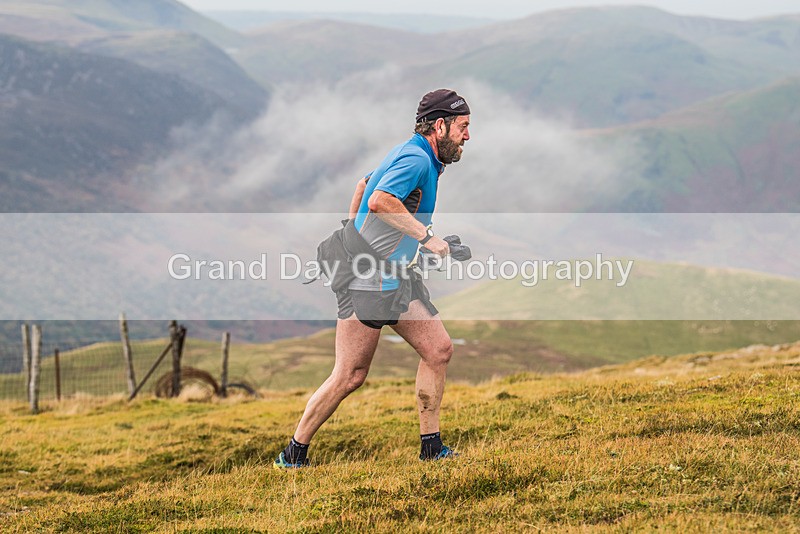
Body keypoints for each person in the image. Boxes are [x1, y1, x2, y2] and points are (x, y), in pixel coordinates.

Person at [274, 89, 471, 467]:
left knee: (439, 349)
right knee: (350, 375)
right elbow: (380, 200)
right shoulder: (416, 158)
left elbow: (364, 186)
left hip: (394, 278)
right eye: (463, 127)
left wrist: (363, 236)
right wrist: (425, 238)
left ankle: (431, 448)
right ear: (440, 125)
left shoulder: (418, 154)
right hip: (366, 282)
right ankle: (292, 454)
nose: (467, 137)